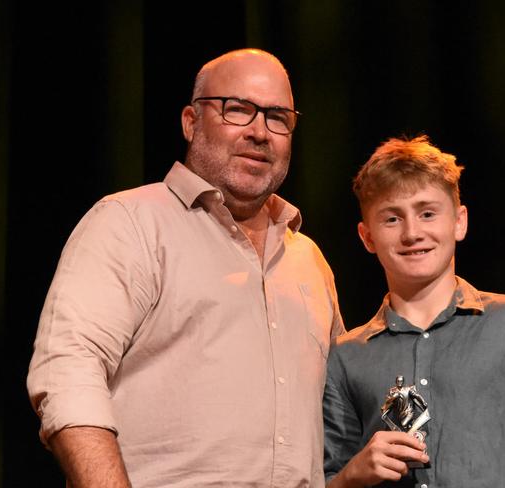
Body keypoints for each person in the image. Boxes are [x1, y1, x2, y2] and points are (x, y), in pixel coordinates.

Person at [27, 48, 345, 488]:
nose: (260, 132)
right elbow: (67, 372)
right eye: (238, 110)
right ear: (191, 122)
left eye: (278, 117)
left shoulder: (309, 260)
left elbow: (340, 412)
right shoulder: (130, 223)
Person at [323, 135, 505, 487]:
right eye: (392, 219)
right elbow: (327, 475)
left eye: (427, 213)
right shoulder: (346, 357)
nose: (412, 232)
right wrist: (353, 474)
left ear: (459, 222)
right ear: (367, 237)